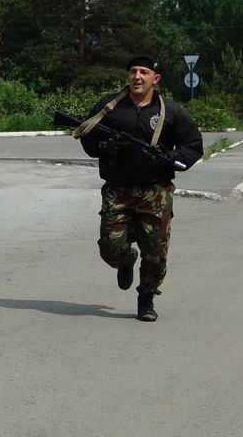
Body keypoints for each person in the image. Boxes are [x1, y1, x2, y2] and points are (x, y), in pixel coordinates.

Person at [73, 55, 202, 323]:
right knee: (110, 247)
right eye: (133, 71)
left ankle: (146, 299)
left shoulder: (170, 111)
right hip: (117, 189)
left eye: (144, 72)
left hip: (155, 191)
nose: (137, 77)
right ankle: (125, 260)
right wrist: (104, 147)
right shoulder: (110, 107)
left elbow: (193, 144)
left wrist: (171, 157)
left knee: (155, 252)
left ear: (156, 79)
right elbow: (88, 135)